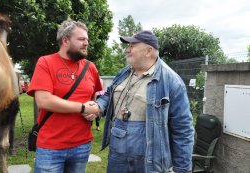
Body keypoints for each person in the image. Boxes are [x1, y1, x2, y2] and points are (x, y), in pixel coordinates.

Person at [96, 30, 195, 173]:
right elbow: (109, 93)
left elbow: (183, 130)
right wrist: (99, 105)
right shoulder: (124, 72)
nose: (127, 49)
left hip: (148, 160)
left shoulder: (172, 82)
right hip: (116, 156)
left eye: (132, 45)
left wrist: (182, 169)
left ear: (148, 51)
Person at [27, 19, 101, 173]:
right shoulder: (45, 62)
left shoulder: (90, 67)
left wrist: (94, 111)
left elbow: (93, 99)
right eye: (81, 39)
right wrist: (82, 108)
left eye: (87, 39)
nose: (86, 43)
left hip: (82, 145)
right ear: (65, 40)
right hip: (51, 147)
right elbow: (43, 101)